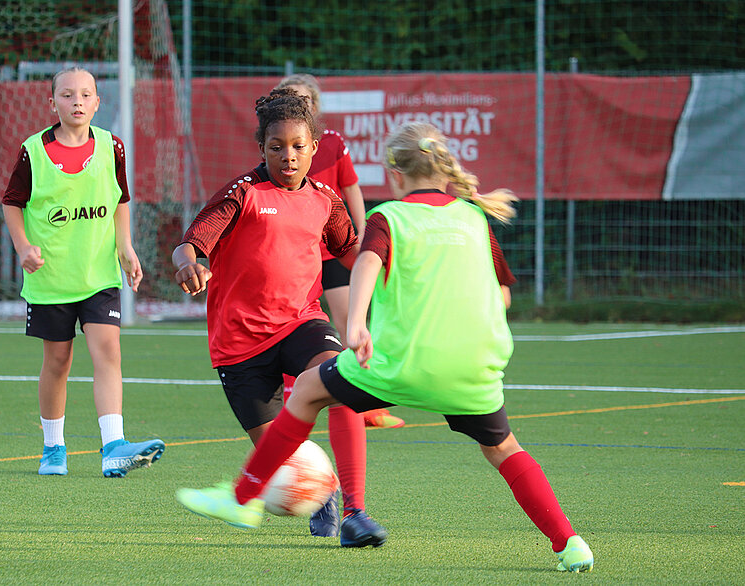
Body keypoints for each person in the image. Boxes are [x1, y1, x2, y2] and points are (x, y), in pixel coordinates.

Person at [175, 122, 595, 572]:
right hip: (473, 370)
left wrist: (355, 324)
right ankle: (569, 542)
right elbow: (503, 295)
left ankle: (244, 498)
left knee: (311, 390)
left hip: (403, 365)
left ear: (394, 174)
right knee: (504, 449)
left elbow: (365, 264)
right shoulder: (474, 218)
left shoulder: (388, 217)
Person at [171, 88, 387, 546]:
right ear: (262, 148)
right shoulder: (243, 193)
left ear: (313, 148)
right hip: (238, 343)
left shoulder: (325, 199)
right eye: (276, 147)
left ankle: (356, 512)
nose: (288, 156)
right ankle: (322, 495)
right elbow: (191, 243)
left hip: (300, 323)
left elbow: (353, 252)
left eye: (297, 146)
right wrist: (188, 264)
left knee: (343, 380)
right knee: (281, 454)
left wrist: (393, 274)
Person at [2, 66, 165, 478]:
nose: (77, 101)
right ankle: (53, 447)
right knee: (58, 361)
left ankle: (114, 446)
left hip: (99, 275)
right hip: (51, 279)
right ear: (52, 102)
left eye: (85, 94)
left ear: (97, 102)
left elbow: (121, 199)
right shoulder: (33, 151)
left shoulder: (113, 147)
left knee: (108, 351)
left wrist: (125, 247)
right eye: (68, 94)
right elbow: (12, 203)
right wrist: (23, 247)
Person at [274, 74, 405, 430]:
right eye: (290, 98)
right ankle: (290, 398)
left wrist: (361, 234)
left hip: (333, 249)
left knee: (350, 322)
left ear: (315, 107)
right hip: (296, 253)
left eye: (304, 100)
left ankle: (363, 404)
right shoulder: (278, 146)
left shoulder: (331, 143)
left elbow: (352, 188)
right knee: (287, 325)